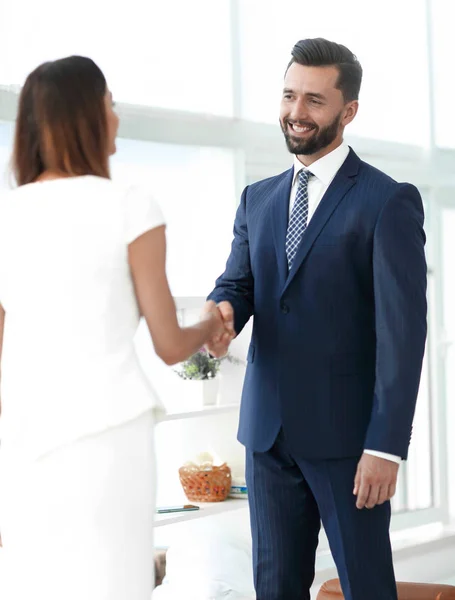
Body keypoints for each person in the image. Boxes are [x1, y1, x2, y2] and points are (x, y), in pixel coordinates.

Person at [204, 38, 427, 600]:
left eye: (314, 100)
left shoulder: (387, 200)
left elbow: (403, 335)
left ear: (348, 111)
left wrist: (386, 446)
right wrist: (222, 312)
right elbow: (239, 284)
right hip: (267, 434)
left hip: (350, 443)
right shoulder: (258, 198)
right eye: (288, 96)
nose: (296, 112)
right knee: (274, 588)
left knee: (366, 588)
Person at [0, 55, 230, 600]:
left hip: (27, 440)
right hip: (108, 439)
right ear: (86, 117)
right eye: (110, 105)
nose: (117, 119)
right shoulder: (129, 204)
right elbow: (170, 345)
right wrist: (206, 323)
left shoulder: (9, 215)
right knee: (112, 583)